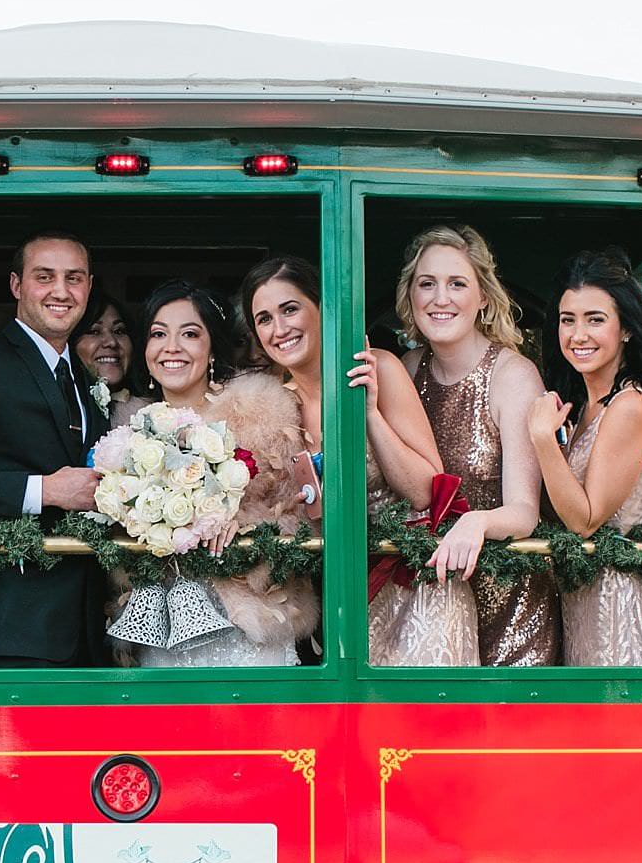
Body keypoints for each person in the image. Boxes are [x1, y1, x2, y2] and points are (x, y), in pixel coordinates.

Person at [240, 256, 476, 667]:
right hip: (343, 599)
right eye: (264, 318)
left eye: (290, 309)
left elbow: (425, 490)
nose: (279, 329)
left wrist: (369, 412)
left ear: (322, 307)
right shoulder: (277, 407)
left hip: (414, 584)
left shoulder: (377, 367)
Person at [0, 231, 111, 667]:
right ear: (16, 286)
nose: (61, 292)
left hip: (82, 627)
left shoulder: (84, 379)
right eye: (44, 277)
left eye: (74, 278)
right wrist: (44, 491)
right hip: (5, 626)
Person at [121, 279, 316, 667]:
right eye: (158, 334)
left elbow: (302, 513)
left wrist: (243, 524)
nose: (171, 347)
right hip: (162, 628)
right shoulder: (125, 427)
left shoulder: (261, 410)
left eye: (190, 334)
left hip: (251, 624)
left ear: (211, 347)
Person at [398, 224, 557, 667]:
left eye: (457, 284)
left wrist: (478, 523)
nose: (440, 298)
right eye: (426, 284)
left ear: (483, 296)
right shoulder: (408, 370)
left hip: (510, 614)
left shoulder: (513, 376)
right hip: (430, 609)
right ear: (410, 295)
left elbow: (524, 513)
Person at [530, 248, 642, 666]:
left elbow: (585, 519)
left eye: (595, 319)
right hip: (582, 602)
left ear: (626, 329)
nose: (578, 335)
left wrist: (543, 441)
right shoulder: (585, 405)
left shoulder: (630, 405)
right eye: (567, 320)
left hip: (619, 611)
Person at [70, 287, 145, 421]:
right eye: (94, 332)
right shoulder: (61, 410)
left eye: (119, 331)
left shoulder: (154, 415)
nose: (111, 342)